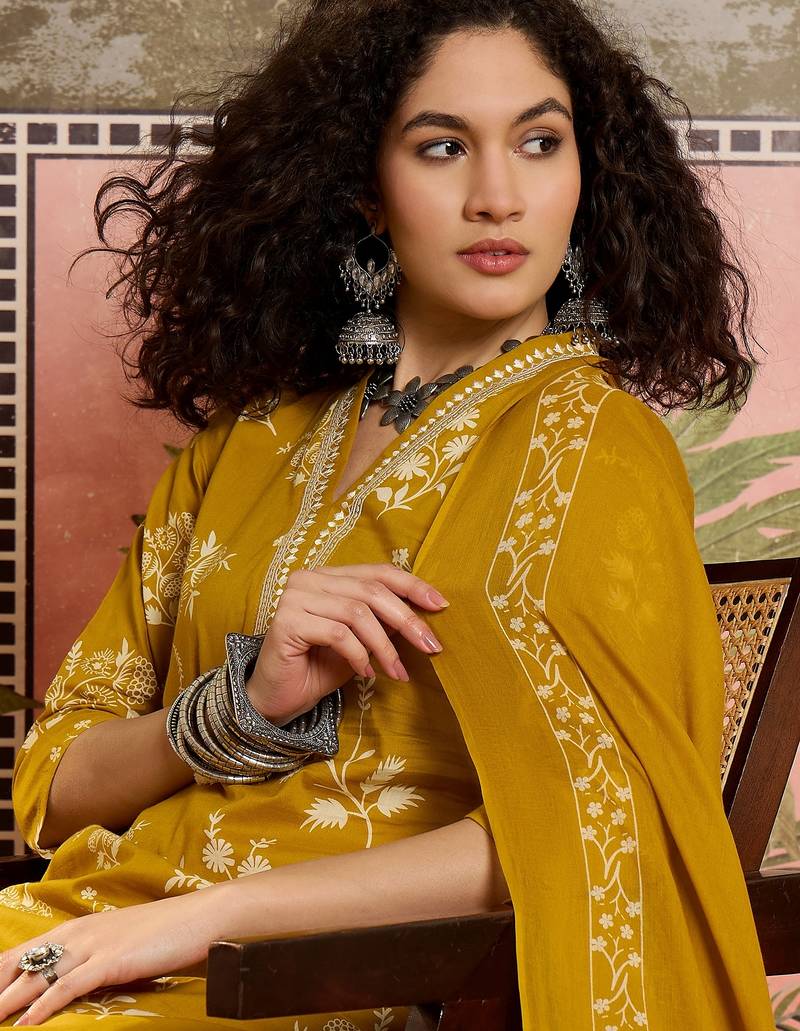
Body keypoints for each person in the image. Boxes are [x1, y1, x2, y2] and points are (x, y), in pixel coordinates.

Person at [0, 0, 776, 1027]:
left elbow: (594, 820)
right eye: (442, 146)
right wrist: (238, 707)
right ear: (365, 187)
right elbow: (53, 786)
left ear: (585, 179)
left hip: (315, 983)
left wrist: (196, 923)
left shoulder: (588, 445)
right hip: (85, 928)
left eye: (539, 143)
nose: (497, 197)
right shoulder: (249, 441)